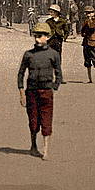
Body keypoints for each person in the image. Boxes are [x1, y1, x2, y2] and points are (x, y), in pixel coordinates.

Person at [17, 21, 62, 159]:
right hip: (31, 91)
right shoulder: (28, 55)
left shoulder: (53, 54)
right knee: (33, 120)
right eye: (36, 35)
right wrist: (21, 92)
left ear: (47, 37)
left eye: (41, 36)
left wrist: (54, 86)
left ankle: (46, 150)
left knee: (46, 120)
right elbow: (21, 73)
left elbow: (59, 74)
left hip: (46, 91)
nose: (37, 39)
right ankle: (33, 146)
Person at [79, 6, 95, 83]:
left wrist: (89, 20)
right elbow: (82, 31)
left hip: (93, 43)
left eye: (90, 13)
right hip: (86, 42)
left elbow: (91, 27)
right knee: (87, 61)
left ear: (94, 13)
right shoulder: (86, 21)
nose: (88, 14)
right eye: (87, 13)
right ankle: (90, 79)